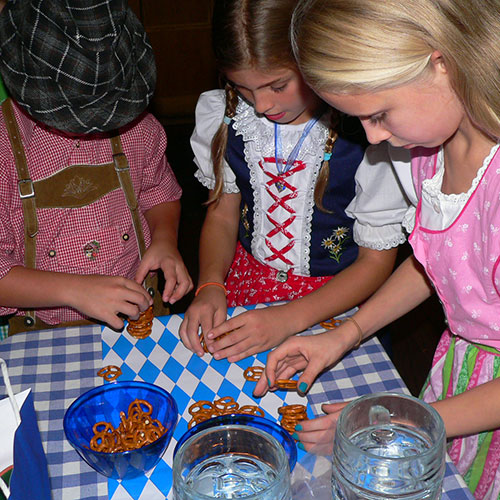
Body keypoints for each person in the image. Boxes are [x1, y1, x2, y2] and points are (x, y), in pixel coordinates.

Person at [254, 0, 500, 498]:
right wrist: (344, 335)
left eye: (380, 114)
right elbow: (438, 264)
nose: (373, 136)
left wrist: (416, 420)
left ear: (443, 61)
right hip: (460, 372)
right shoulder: (429, 152)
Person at [179, 0, 409, 362]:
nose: (261, 105)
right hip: (248, 286)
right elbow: (222, 215)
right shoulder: (227, 117)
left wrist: (287, 319)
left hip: (339, 302)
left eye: (278, 85)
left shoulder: (369, 136)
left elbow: (375, 263)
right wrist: (210, 284)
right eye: (243, 87)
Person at [0, 0, 192, 336]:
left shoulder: (139, 129)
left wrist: (165, 240)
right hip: (44, 330)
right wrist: (74, 291)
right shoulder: (4, 149)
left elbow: (157, 191)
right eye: (75, 114)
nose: (92, 126)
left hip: (140, 312)